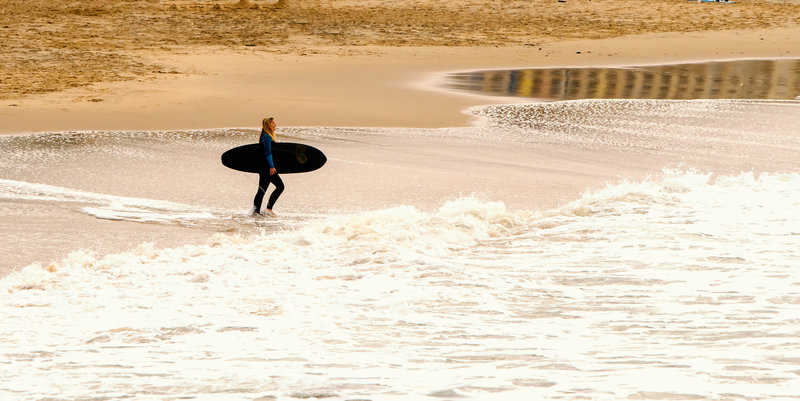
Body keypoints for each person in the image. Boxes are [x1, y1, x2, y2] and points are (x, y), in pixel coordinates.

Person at [251, 117, 284, 217]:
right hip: (267, 168)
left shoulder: (264, 136)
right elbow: (268, 153)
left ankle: (255, 212)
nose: (275, 125)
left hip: (263, 167)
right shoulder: (267, 137)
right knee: (280, 186)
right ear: (268, 125)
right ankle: (268, 209)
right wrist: (271, 167)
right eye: (273, 123)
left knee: (262, 190)